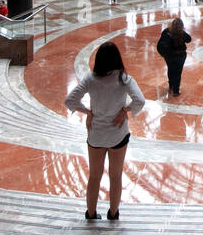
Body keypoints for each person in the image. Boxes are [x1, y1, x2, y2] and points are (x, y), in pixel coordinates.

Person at [64, 42, 145, 220]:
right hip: (118, 134)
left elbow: (70, 100)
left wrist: (88, 112)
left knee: (94, 176)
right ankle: (113, 213)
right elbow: (139, 100)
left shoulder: (90, 79)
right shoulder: (124, 80)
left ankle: (91, 214)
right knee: (115, 176)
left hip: (96, 135)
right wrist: (125, 111)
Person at [156, 18, 192, 97]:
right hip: (180, 56)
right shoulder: (181, 33)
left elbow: (160, 44)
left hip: (169, 56)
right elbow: (189, 39)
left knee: (170, 69)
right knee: (178, 72)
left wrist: (163, 54)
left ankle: (171, 84)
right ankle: (176, 90)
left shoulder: (166, 31)